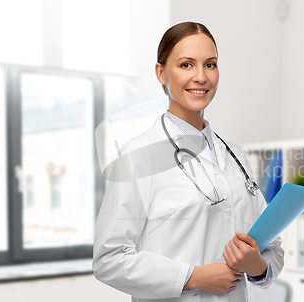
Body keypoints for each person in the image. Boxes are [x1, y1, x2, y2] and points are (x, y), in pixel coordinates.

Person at [93, 21, 284, 302]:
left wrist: (257, 266)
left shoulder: (235, 155)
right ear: (161, 73)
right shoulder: (137, 157)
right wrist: (193, 277)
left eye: (210, 64)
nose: (201, 77)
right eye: (186, 65)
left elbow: (271, 244)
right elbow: (109, 259)